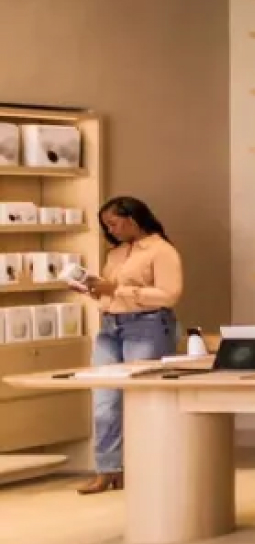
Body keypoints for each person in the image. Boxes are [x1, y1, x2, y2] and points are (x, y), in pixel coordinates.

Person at [74, 198, 182, 494]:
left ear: (133, 218)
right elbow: (112, 293)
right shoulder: (116, 253)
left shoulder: (162, 251)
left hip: (146, 328)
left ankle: (144, 467)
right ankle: (108, 469)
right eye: (106, 225)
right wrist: (94, 290)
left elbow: (169, 295)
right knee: (104, 403)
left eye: (114, 223)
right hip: (111, 327)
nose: (110, 229)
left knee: (141, 402)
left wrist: (118, 290)